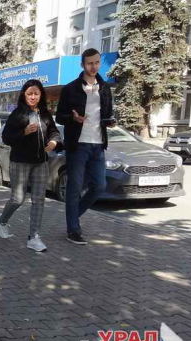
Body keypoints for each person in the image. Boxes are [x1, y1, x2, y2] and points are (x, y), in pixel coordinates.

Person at [56, 48, 115, 246]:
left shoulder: (105, 88)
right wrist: (73, 118)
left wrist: (110, 122)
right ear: (82, 64)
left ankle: (72, 216)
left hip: (98, 144)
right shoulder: (70, 89)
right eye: (90, 63)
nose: (94, 66)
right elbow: (60, 117)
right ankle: (73, 229)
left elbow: (107, 114)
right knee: (74, 188)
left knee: (99, 186)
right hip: (78, 144)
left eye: (97, 62)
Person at [0, 80, 61, 252]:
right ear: (24, 95)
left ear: (41, 95)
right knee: (17, 198)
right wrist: (23, 132)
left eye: (36, 94)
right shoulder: (17, 114)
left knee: (39, 199)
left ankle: (33, 237)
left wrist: (54, 141)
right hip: (21, 161)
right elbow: (6, 137)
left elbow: (54, 131)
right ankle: (2, 220)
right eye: (29, 94)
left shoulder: (45, 113)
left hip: (41, 162)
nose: (33, 97)